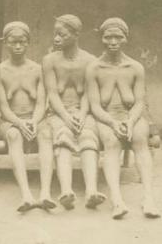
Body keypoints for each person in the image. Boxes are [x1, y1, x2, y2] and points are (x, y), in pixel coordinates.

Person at [86, 17, 160, 219]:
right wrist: (112, 122)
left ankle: (149, 198)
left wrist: (129, 121)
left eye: (117, 37)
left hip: (131, 116)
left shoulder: (135, 68)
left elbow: (139, 102)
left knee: (140, 140)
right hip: (106, 117)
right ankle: (117, 201)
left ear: (125, 38)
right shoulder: (94, 69)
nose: (113, 42)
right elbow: (94, 105)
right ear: (101, 39)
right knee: (111, 143)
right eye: (108, 37)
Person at [42, 14, 106, 210]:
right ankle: (66, 191)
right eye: (55, 34)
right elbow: (52, 94)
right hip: (58, 113)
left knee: (88, 136)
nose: (56, 38)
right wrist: (67, 117)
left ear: (76, 34)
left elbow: (89, 93)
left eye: (62, 34)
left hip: (83, 112)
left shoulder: (90, 61)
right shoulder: (49, 60)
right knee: (63, 136)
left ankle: (91, 191)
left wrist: (82, 113)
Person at [0, 21, 56, 213]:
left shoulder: (37, 69)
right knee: (14, 136)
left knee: (46, 135)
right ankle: (26, 195)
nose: (18, 46)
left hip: (35, 118)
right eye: (13, 42)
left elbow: (41, 103)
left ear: (28, 42)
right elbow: (4, 108)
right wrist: (20, 123)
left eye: (22, 41)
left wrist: (33, 121)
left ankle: (45, 193)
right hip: (10, 121)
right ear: (6, 43)